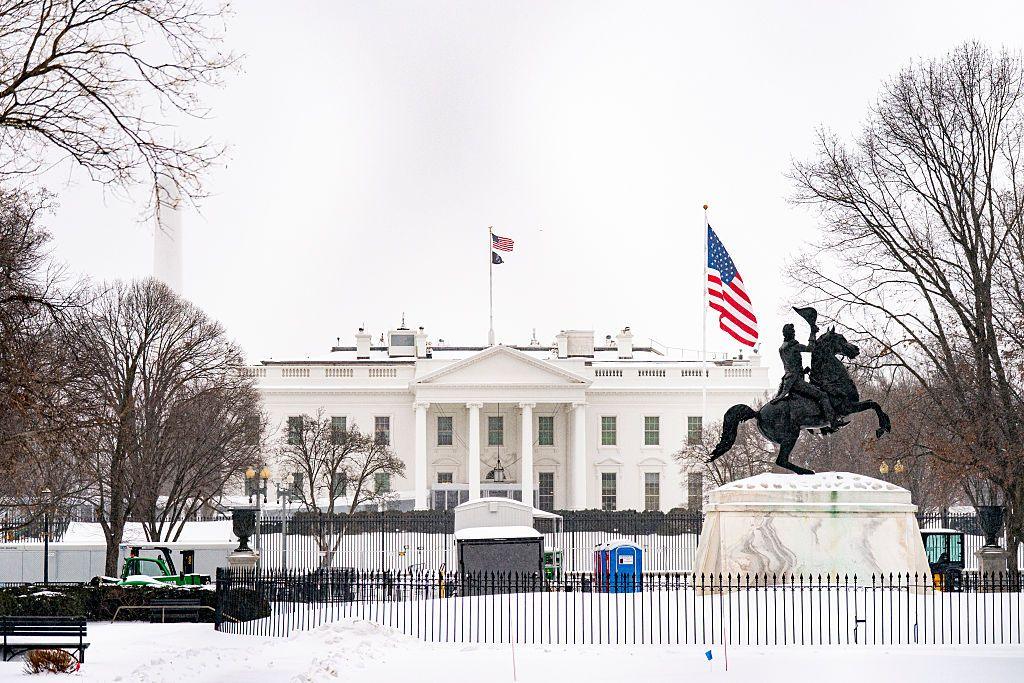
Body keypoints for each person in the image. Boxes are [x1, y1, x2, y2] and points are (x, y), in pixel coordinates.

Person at [770, 322, 837, 426]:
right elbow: (811, 348)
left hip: (788, 379)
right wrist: (813, 332)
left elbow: (790, 365)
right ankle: (832, 422)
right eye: (793, 332)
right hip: (796, 381)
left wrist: (802, 371)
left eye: (794, 331)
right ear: (790, 333)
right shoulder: (794, 346)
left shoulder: (782, 348)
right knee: (822, 395)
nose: (794, 333)